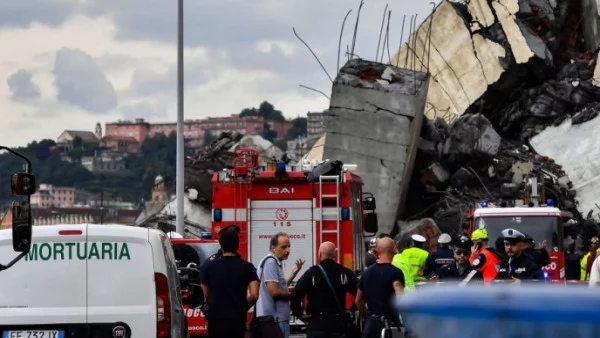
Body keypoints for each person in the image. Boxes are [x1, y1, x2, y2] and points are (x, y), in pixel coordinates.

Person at [200, 225, 259, 338]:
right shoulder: (247, 267)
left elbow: (204, 295)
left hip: (216, 321)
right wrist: (243, 307)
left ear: (221, 245)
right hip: (237, 320)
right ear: (238, 245)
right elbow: (255, 294)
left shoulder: (208, 267)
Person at [291, 242, 358, 338]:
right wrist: (352, 309)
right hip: (338, 324)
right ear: (335, 255)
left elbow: (295, 295)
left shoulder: (312, 272)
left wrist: (299, 313)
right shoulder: (345, 272)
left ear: (319, 254)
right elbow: (360, 293)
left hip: (316, 324)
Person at [256, 232, 305, 338]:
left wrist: (293, 273)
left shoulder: (275, 262)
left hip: (277, 319)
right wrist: (295, 296)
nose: (288, 250)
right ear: (273, 248)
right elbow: (275, 292)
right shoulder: (270, 262)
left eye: (289, 246)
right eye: (283, 247)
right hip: (275, 320)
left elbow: (279, 287)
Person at [356, 237, 405, 338]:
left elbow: (358, 300)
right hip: (390, 325)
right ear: (394, 250)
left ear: (378, 251)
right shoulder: (396, 272)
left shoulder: (366, 273)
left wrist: (367, 316)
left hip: (371, 325)